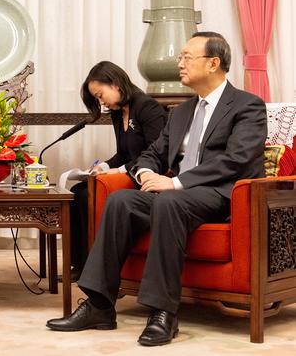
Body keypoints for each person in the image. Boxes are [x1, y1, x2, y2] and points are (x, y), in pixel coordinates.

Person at [47, 32, 267, 347]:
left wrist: (174, 182)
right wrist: (148, 171)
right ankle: (99, 305)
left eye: (186, 57)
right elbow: (152, 152)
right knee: (121, 201)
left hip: (223, 195)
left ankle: (163, 311)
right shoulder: (181, 113)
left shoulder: (248, 106)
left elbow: (236, 160)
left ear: (213, 63)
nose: (179, 63)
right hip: (180, 197)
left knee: (169, 202)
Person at [65, 61, 166, 282]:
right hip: (128, 170)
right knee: (78, 193)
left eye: (101, 95)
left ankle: (88, 264)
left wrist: (118, 171)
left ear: (116, 84)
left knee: (84, 195)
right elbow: (123, 153)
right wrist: (102, 167)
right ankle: (80, 261)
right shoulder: (117, 112)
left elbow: (156, 154)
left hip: (147, 175)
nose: (101, 102)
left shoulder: (147, 107)